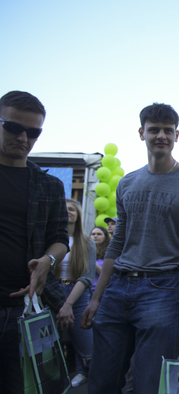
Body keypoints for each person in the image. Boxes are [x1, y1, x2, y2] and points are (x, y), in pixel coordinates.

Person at [81, 103, 179, 394]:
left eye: (168, 130)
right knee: (101, 382)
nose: (161, 135)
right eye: (154, 129)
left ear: (178, 135)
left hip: (163, 291)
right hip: (117, 289)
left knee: (148, 385)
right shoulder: (127, 183)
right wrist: (96, 297)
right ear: (142, 133)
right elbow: (116, 243)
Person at [0, 90, 69, 393]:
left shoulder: (49, 184)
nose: (23, 137)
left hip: (25, 310)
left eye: (33, 132)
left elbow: (59, 238)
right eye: (14, 127)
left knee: (23, 387)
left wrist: (48, 260)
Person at [55, 198, 96, 387]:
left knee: (88, 348)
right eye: (65, 209)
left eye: (72, 209)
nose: (69, 212)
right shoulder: (52, 239)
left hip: (78, 295)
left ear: (78, 215)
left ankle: (85, 375)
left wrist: (69, 304)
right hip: (52, 293)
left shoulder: (87, 242)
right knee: (50, 347)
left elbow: (87, 277)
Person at [90, 226, 110, 292]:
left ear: (105, 237)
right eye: (93, 234)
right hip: (86, 289)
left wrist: (92, 263)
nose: (95, 236)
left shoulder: (109, 252)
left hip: (101, 290)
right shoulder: (85, 251)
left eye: (99, 234)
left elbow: (108, 275)